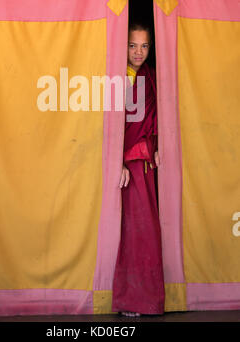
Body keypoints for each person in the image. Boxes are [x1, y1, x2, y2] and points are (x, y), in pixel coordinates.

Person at [112, 22, 165, 317]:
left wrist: (155, 147)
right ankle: (125, 297)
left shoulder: (151, 77)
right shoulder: (113, 77)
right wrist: (115, 161)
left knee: (143, 231)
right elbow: (107, 125)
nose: (138, 52)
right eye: (132, 45)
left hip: (143, 164)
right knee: (121, 232)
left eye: (144, 46)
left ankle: (143, 298)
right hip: (118, 165)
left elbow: (159, 119)